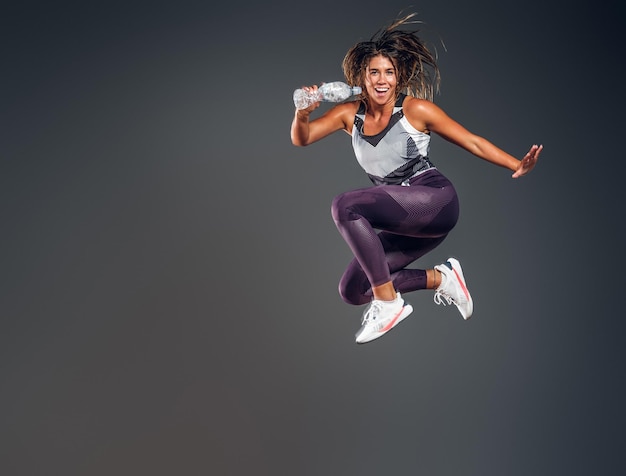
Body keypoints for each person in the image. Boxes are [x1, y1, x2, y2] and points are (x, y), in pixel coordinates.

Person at [290, 13, 542, 344]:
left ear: (398, 78)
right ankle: (442, 279)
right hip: (408, 226)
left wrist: (516, 164)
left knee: (345, 206)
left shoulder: (414, 110)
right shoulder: (349, 115)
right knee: (353, 289)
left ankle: (389, 302)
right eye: (374, 72)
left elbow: (472, 140)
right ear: (362, 78)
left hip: (435, 202)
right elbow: (302, 138)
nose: (382, 80)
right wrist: (302, 114)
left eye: (389, 73)